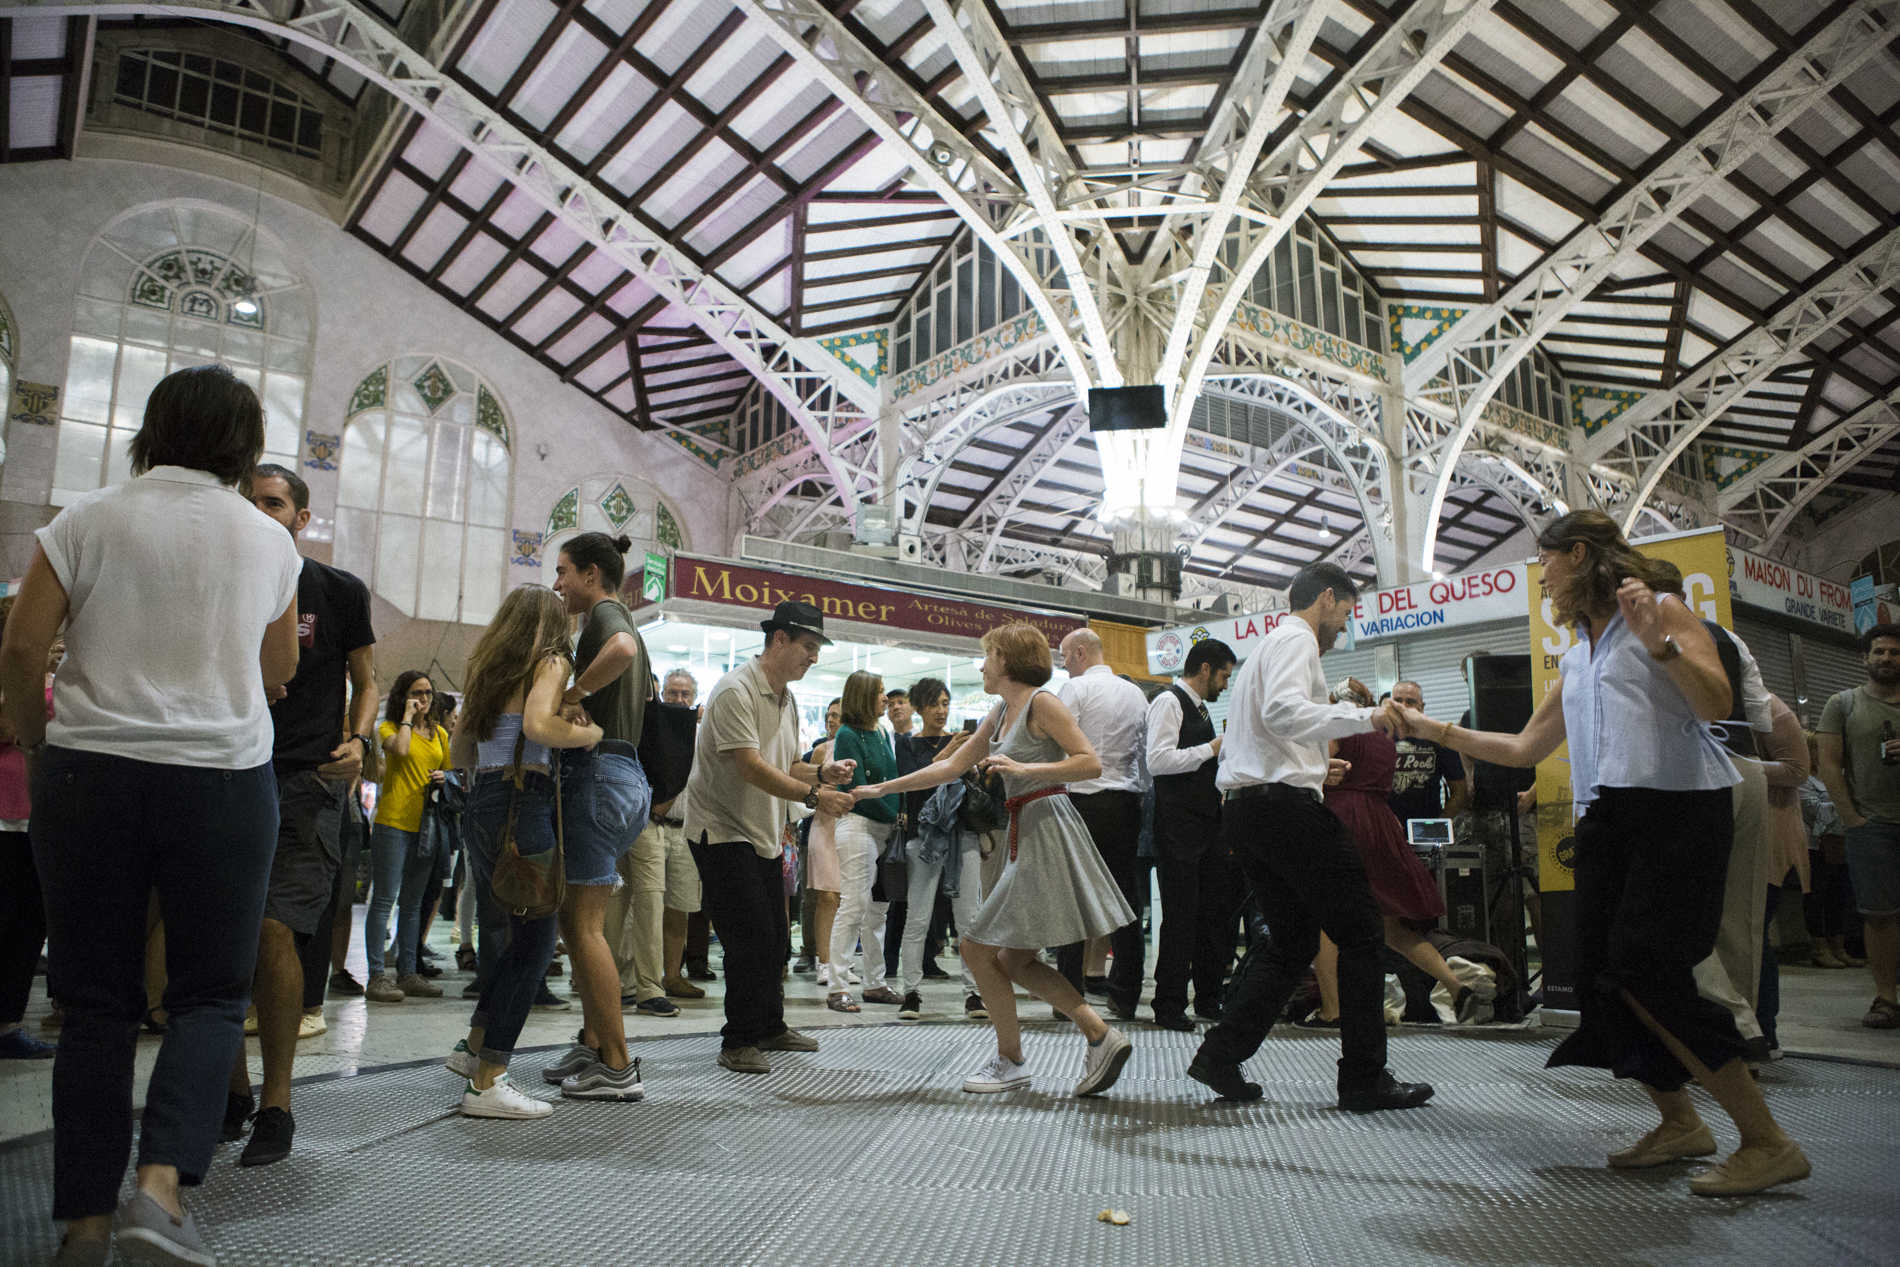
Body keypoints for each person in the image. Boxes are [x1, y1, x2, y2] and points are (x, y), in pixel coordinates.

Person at [1395, 510, 1808, 1196]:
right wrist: (1431, 727)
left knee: (1651, 968)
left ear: (1578, 554)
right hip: (1607, 818)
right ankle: (1680, 1121)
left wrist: (1663, 645)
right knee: (1604, 979)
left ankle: (1767, 1139)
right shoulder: (1581, 650)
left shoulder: (1661, 611)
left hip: (1675, 811)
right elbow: (1526, 748)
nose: (1544, 575)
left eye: (1547, 561)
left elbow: (1716, 703)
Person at [2, 364, 301, 1264]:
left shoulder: (86, 518)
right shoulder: (269, 540)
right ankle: (158, 1191)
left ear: (151, 430)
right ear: (242, 447)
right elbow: (279, 670)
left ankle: (84, 1226)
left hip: (90, 772)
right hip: (222, 777)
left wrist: (37, 741)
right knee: (210, 994)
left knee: (93, 1003)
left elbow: (19, 644)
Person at [1185, 563, 1429, 1114]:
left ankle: (1221, 1055)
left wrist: (1316, 770)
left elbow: (1270, 730)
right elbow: (1286, 712)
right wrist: (1368, 716)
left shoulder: (1267, 648)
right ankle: (1364, 1078)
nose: (1343, 627)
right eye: (1344, 613)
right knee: (1363, 932)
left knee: (1293, 941)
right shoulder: (1296, 641)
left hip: (1251, 811)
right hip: (1284, 812)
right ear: (1325, 598)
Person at [854, 623, 1135, 1097]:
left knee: (977, 948)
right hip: (1026, 829)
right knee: (1014, 960)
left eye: (988, 657)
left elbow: (1089, 762)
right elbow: (952, 765)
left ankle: (1012, 1059)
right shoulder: (1003, 709)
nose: (982, 665)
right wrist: (883, 788)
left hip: (1046, 828)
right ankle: (1099, 1035)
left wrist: (1025, 768)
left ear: (1006, 659)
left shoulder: (1043, 703)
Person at [221, 464, 377, 1168]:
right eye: (249, 500)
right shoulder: (217, 576)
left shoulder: (337, 590)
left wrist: (359, 739)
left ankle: (277, 1104)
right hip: (223, 769)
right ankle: (232, 1085)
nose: (259, 510)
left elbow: (368, 680)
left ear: (300, 517)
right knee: (219, 933)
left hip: (306, 779)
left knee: (275, 928)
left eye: (273, 502)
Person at [444, 585, 607, 1118]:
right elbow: (538, 725)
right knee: (536, 943)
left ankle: (472, 1050)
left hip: (483, 802)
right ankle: (489, 1081)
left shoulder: (488, 668)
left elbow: (458, 749)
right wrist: (588, 734)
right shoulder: (551, 659)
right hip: (525, 800)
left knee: (514, 938)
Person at [679, 601, 854, 1074]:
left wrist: (821, 770)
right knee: (748, 936)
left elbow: (782, 764)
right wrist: (816, 795)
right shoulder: (736, 690)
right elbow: (750, 767)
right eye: (809, 647)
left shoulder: (786, 697)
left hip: (761, 831)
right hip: (721, 830)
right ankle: (738, 1039)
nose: (814, 657)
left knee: (777, 936)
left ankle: (770, 1026)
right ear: (779, 639)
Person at [540, 532, 652, 1100]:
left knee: (584, 927)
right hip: (621, 775)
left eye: (563, 572)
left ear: (591, 573)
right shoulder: (616, 619)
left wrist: (574, 692)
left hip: (599, 776)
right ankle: (592, 1040)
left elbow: (624, 655)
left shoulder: (609, 617)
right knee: (575, 923)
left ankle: (617, 1063)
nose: (557, 584)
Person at [1307, 679, 1482, 1028]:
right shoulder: (1386, 736)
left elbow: (1320, 771)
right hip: (1381, 822)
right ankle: (1457, 986)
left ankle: (1332, 1010)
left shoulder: (1339, 728)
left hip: (1344, 817)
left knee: (1326, 921)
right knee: (1389, 924)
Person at [1053, 629, 1147, 1019]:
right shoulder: (1136, 694)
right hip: (1126, 803)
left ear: (1079, 653)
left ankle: (1068, 996)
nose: (1063, 665)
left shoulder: (1075, 691)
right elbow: (1144, 755)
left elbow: (1057, 744)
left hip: (1081, 801)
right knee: (1126, 900)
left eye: (1064, 657)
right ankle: (1125, 995)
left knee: (1073, 898)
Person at [1147, 638, 1238, 1031]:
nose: (1224, 684)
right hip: (1177, 828)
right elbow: (1158, 761)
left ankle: (1208, 996)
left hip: (1206, 826)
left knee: (1214, 915)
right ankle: (1168, 1003)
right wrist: (1212, 748)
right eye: (1222, 676)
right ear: (1204, 669)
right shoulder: (1168, 702)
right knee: (1181, 918)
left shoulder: (1200, 709)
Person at [1816, 623, 1900, 1030]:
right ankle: (1886, 998)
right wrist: (1852, 818)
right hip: (1873, 826)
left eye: (1894, 653)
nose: (1886, 659)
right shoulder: (1843, 703)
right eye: (1879, 652)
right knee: (1879, 915)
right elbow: (1828, 764)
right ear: (1864, 658)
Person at [895, 677, 981, 1020]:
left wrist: (971, 759)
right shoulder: (906, 744)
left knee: (969, 919)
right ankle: (911, 991)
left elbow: (973, 784)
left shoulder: (963, 741)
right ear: (919, 707)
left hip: (963, 834)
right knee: (917, 917)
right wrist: (949, 754)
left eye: (945, 703)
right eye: (934, 704)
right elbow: (915, 781)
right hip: (924, 836)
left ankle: (975, 992)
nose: (942, 711)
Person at [365, 672, 451, 1002]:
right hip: (393, 822)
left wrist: (447, 776)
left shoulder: (440, 734)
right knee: (385, 900)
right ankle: (376, 976)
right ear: (404, 696)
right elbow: (399, 751)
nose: (424, 698)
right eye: (417, 692)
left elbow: (451, 769)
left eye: (428, 692)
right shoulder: (388, 728)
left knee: (413, 903)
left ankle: (408, 971)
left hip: (426, 826)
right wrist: (406, 717)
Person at [828, 671, 903, 1010]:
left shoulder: (883, 731)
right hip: (858, 825)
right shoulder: (847, 734)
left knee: (878, 910)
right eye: (881, 692)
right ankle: (837, 985)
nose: (885, 698)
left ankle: (875, 982)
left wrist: (894, 811)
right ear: (863, 696)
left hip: (884, 829)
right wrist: (894, 810)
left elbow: (892, 779)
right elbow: (856, 789)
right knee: (854, 905)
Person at [0, 596, 55, 1061]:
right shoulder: (16, 678)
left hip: (36, 817)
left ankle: (9, 1021)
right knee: (11, 919)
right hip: (6, 817)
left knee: (28, 921)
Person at [656, 670, 707, 999]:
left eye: (685, 694)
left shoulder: (703, 734)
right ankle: (642, 978)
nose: (678, 699)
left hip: (687, 831)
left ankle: (673, 976)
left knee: (681, 908)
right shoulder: (654, 728)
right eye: (672, 693)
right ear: (662, 695)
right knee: (644, 908)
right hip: (654, 827)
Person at [1386, 680, 1468, 825]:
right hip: (1386, 827)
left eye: (1410, 702)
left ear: (1421, 707)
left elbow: (1460, 791)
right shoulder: (1377, 739)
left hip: (1427, 826)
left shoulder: (1440, 737)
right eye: (1398, 701)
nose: (1403, 706)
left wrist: (1439, 824)